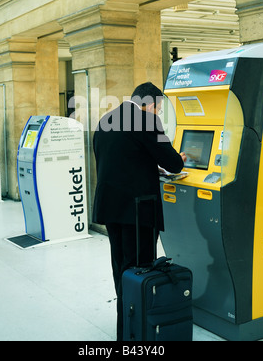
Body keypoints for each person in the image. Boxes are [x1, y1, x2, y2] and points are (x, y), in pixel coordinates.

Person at [92, 82, 187, 341]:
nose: (157, 114)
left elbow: (115, 160)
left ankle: (126, 323)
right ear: (151, 104)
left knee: (121, 267)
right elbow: (174, 163)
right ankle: (136, 332)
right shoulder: (146, 121)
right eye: (158, 109)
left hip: (111, 207)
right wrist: (178, 159)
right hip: (137, 210)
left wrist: (147, 167)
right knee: (140, 268)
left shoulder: (106, 119)